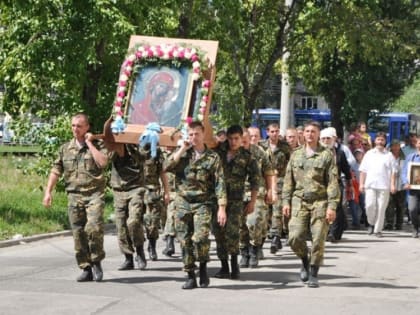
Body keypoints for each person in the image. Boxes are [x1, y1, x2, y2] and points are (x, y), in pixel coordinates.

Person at [43, 113, 108, 282]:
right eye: (73, 126)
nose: (75, 129)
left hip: (94, 194)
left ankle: (96, 261)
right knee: (78, 233)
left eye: (79, 126)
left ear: (87, 127)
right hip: (74, 196)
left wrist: (89, 143)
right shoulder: (65, 148)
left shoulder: (98, 145)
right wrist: (48, 192)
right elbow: (56, 170)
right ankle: (86, 268)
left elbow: (103, 163)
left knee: (93, 228)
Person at [164, 121, 227, 289]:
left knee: (200, 238)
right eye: (190, 134)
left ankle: (204, 267)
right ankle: (190, 274)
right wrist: (182, 149)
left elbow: (220, 183)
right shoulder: (183, 154)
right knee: (184, 241)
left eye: (196, 134)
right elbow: (166, 166)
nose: (193, 138)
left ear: (203, 134)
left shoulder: (212, 157)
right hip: (183, 203)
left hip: (203, 203)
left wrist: (221, 207)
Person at [282, 120, 340, 288]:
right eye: (307, 131)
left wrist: (332, 206)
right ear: (303, 134)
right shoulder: (296, 154)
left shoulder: (326, 155)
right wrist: (285, 202)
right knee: (294, 237)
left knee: (318, 238)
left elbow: (332, 183)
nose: (309, 134)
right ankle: (305, 260)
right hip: (299, 200)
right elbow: (288, 181)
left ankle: (313, 272)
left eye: (313, 131)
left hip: (320, 201)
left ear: (318, 134)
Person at [213, 125, 259, 279]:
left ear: (241, 139)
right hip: (218, 200)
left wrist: (252, 202)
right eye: (231, 138)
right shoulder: (218, 152)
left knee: (233, 233)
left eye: (236, 139)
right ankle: (224, 266)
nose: (233, 142)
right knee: (219, 233)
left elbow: (255, 181)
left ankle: (234, 266)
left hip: (236, 201)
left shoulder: (247, 157)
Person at [239, 128, 276, 268]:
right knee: (240, 226)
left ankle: (254, 250)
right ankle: (244, 253)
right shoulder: (232, 153)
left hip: (257, 192)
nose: (242, 144)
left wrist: (271, 190)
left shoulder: (259, 152)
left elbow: (269, 172)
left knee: (254, 223)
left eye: (244, 141)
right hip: (238, 194)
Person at [109, 144, 147, 270]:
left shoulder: (137, 147)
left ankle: (140, 250)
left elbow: (144, 157)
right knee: (121, 226)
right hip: (119, 190)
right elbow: (106, 159)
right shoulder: (111, 148)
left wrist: (131, 146)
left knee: (134, 221)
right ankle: (128, 257)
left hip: (136, 188)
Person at [259, 123, 290, 254]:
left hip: (280, 182)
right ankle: (260, 239)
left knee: (277, 211)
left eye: (277, 131)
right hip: (264, 182)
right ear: (267, 132)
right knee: (265, 212)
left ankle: (276, 237)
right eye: (272, 131)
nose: (275, 134)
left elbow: (290, 164)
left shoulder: (285, 147)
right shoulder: (261, 146)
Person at [359, 132, 396, 237]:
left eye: (382, 140)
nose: (380, 142)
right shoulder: (369, 154)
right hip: (370, 185)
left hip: (384, 185)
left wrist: (392, 185)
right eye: (378, 139)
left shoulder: (389, 155)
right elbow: (363, 170)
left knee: (381, 208)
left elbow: (393, 172)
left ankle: (377, 230)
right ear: (375, 141)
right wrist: (361, 184)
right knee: (369, 206)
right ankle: (371, 223)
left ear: (385, 142)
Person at [320, 127, 352, 243]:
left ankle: (334, 233)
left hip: (336, 184)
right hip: (320, 185)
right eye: (323, 138)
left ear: (333, 139)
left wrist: (349, 184)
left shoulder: (340, 153)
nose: (325, 141)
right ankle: (324, 231)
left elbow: (346, 169)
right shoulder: (316, 152)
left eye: (328, 138)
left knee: (336, 208)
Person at [141, 144, 170, 261]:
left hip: (152, 191)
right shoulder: (131, 148)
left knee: (153, 221)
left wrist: (166, 191)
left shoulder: (156, 151)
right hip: (134, 190)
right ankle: (139, 250)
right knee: (135, 223)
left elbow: (162, 171)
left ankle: (151, 246)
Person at [385, 139, 405, 231]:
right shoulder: (387, 156)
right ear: (391, 147)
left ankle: (399, 224)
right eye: (394, 145)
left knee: (400, 206)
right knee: (390, 205)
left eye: (397, 145)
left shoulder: (404, 157)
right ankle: (389, 223)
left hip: (401, 184)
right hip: (389, 183)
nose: (396, 147)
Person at [402, 136, 420, 238]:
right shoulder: (411, 157)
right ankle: (415, 227)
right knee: (412, 209)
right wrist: (406, 182)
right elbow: (405, 171)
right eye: (419, 143)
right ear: (416, 144)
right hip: (413, 188)